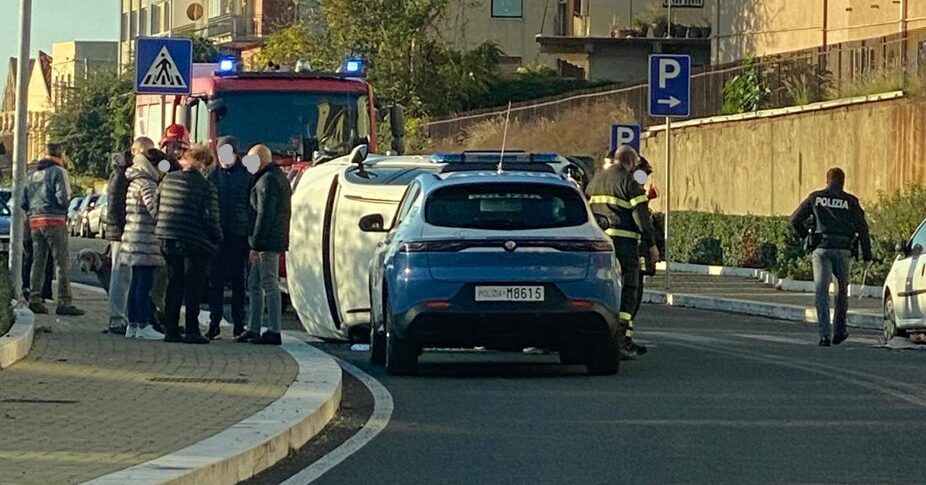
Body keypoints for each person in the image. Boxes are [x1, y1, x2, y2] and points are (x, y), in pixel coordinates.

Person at [585, 146, 659, 360]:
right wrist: (651, 245)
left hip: (601, 246)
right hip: (626, 246)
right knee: (629, 292)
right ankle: (622, 340)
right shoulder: (629, 180)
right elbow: (641, 217)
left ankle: (610, 337)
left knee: (606, 291)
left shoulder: (595, 180)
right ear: (630, 162)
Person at [790, 167, 872, 347]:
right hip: (843, 250)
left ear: (827, 180)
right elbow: (863, 229)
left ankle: (824, 335)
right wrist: (867, 256)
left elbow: (794, 220)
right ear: (843, 181)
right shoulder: (850, 201)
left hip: (821, 249)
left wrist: (807, 237)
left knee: (821, 292)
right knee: (842, 292)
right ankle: (840, 331)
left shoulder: (815, 198)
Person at [156, 144, 222, 344]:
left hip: (166, 236)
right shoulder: (206, 186)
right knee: (193, 285)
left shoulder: (168, 179)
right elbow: (211, 217)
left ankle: (171, 330)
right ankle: (192, 330)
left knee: (174, 283)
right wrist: (218, 238)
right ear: (202, 164)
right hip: (194, 240)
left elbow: (157, 204)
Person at [237, 144, 291, 346]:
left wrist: (255, 245)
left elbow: (264, 215)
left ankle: (273, 330)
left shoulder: (267, 181)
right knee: (255, 283)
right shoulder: (273, 177)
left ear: (261, 161)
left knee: (268, 284)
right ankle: (254, 327)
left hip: (266, 242)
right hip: (269, 240)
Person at [22, 143, 84, 316]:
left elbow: (23, 202)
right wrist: (64, 208)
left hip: (35, 222)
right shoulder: (59, 172)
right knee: (62, 262)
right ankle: (64, 301)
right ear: (60, 155)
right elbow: (63, 197)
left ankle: (34, 298)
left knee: (38, 261)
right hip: (54, 221)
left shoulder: (33, 174)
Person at [105, 139, 154, 335]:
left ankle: (128, 318)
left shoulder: (130, 171)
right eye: (145, 152)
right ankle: (117, 318)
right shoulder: (122, 173)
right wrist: (119, 230)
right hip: (122, 231)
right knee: (121, 275)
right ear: (134, 151)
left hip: (129, 230)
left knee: (131, 278)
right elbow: (114, 204)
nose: (147, 156)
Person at [206, 136, 252, 339]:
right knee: (215, 282)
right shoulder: (211, 175)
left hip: (239, 236)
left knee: (238, 282)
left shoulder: (246, 175)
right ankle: (214, 322)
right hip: (216, 236)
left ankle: (238, 324)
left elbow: (251, 207)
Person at [119, 143, 166, 340]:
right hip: (144, 240)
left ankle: (133, 324)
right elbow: (154, 211)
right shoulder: (147, 184)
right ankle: (144, 324)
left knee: (136, 282)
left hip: (133, 238)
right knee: (143, 284)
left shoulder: (134, 181)